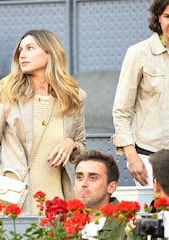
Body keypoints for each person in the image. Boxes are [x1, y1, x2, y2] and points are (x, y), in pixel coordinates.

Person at [0, 29, 86, 214]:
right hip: (13, 199)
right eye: (20, 50)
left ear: (50, 54)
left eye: (30, 48)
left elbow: (81, 149)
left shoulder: (74, 97)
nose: (22, 54)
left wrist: (71, 143)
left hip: (56, 202)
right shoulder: (7, 93)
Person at [111, 0, 169, 186]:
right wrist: (131, 156)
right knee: (154, 214)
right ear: (158, 18)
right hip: (149, 157)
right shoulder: (138, 53)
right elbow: (121, 110)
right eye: (168, 16)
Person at [74, 149, 126, 239]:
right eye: (79, 177)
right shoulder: (61, 222)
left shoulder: (126, 225)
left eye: (93, 178)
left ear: (111, 187)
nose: (83, 184)